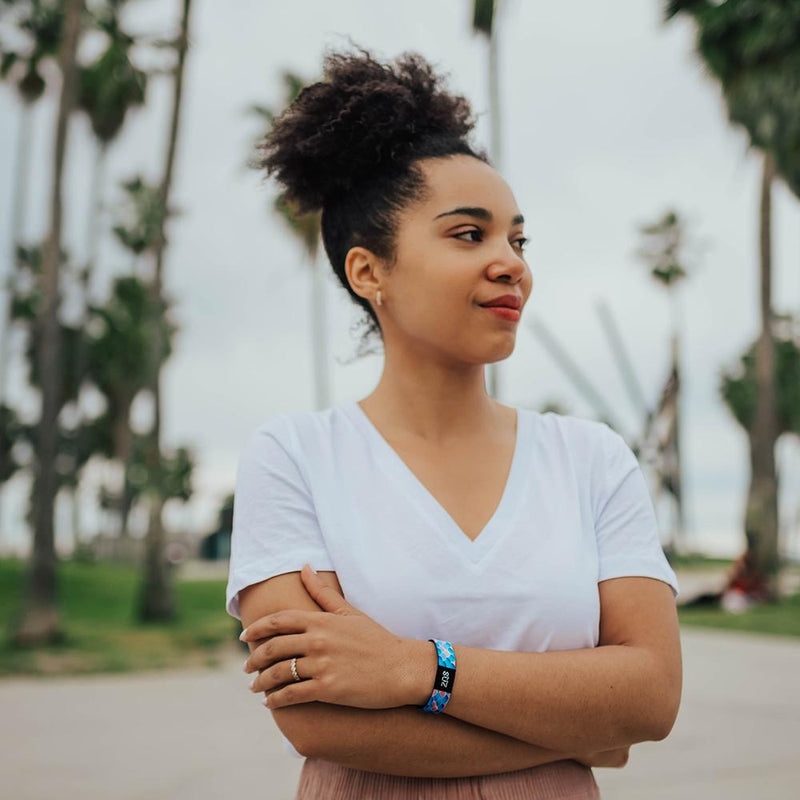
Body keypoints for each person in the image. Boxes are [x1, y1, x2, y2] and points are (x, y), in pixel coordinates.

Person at [225, 44, 682, 799]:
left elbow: (652, 694)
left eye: (517, 239)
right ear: (370, 272)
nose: (511, 263)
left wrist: (417, 668)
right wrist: (577, 728)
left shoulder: (591, 458)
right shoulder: (295, 457)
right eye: (469, 235)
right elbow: (316, 722)